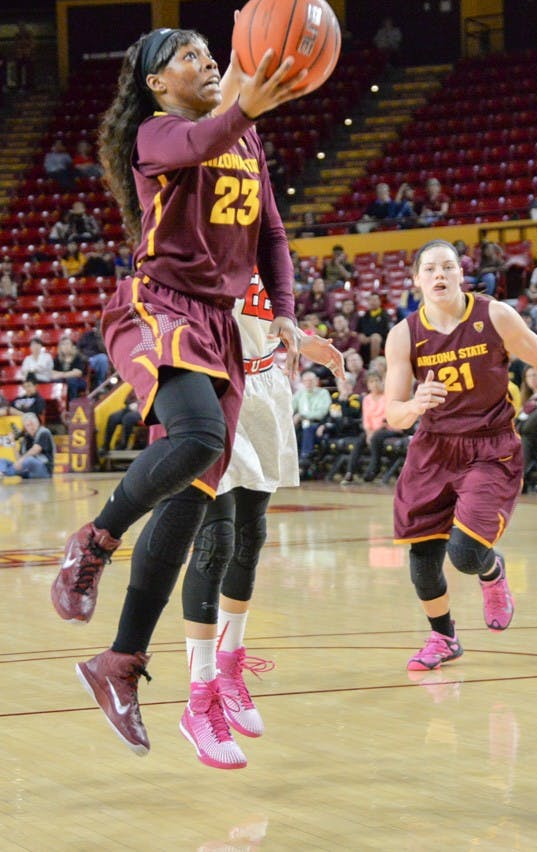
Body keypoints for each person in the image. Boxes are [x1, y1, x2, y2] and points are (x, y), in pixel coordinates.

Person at [50, 26, 305, 749]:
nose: (208, 62)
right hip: (156, 306)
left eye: (209, 52)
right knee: (200, 437)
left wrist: (283, 316)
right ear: (158, 83)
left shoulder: (246, 142)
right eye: (189, 56)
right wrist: (246, 108)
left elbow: (272, 239)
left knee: (190, 501)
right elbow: (201, 143)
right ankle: (95, 541)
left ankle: (120, 661)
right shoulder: (157, 134)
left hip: (220, 325)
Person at [76, 270, 344, 766]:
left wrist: (302, 340)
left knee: (249, 537)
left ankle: (228, 667)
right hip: (213, 384)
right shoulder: (196, 234)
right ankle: (199, 701)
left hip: (266, 383)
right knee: (215, 538)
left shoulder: (257, 230)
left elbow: (254, 315)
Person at [384, 239, 537, 671]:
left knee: (466, 554)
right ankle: (443, 638)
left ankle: (492, 571)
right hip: (432, 448)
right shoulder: (404, 335)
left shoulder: (494, 315)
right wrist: (414, 405)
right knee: (422, 560)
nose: (439, 276)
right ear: (416, 280)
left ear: (460, 274)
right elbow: (392, 413)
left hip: (489, 446)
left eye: (448, 267)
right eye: (429, 269)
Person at [0, 412, 54, 479]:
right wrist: (13, 443)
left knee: (29, 460)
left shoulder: (44, 432)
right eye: (28, 425)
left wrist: (21, 460)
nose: (31, 427)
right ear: (25, 427)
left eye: (33, 424)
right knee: (2, 461)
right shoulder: (26, 438)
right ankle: (2, 473)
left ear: (38, 423)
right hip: (27, 471)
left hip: (43, 470)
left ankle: (5, 473)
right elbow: (18, 459)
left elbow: (36, 449)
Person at [99, 389, 141, 454]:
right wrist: (132, 402)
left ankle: (123, 444)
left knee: (128, 418)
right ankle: (106, 445)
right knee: (113, 417)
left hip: (142, 411)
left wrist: (139, 403)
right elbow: (126, 400)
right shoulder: (135, 388)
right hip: (130, 408)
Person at [77, 317, 110, 389]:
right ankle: (99, 384)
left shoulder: (105, 337)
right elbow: (77, 349)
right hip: (86, 360)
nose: (99, 328)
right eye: (98, 326)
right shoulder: (87, 335)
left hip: (100, 361)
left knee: (103, 358)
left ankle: (101, 384)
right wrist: (84, 357)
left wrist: (100, 338)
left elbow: (106, 351)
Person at [357, 292, 390, 364]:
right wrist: (361, 335)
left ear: (379, 302)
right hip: (366, 340)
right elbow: (359, 330)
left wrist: (370, 338)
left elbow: (386, 331)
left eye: (375, 300)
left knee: (375, 337)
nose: (372, 302)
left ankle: (373, 364)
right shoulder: (364, 316)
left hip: (382, 341)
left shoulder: (385, 315)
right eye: (370, 300)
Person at [52, 334, 88, 400]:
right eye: (63, 344)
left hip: (78, 381)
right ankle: (59, 403)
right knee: (56, 381)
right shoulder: (57, 358)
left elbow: (78, 373)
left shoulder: (77, 357)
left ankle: (72, 404)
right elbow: (52, 372)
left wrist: (62, 374)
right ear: (60, 347)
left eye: (68, 344)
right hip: (63, 380)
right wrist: (67, 374)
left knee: (71, 381)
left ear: (72, 346)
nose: (66, 346)